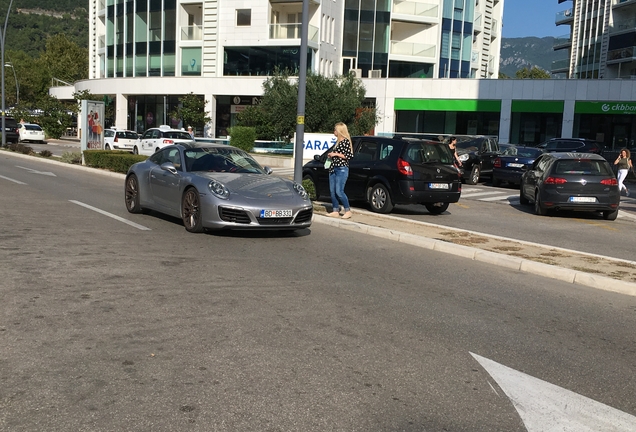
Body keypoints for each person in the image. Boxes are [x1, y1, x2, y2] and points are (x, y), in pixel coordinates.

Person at [327, 122, 355, 219]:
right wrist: (331, 155)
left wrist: (335, 154)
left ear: (340, 131)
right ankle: (335, 210)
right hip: (333, 167)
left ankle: (347, 210)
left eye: (335, 129)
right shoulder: (337, 142)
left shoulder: (346, 141)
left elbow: (349, 156)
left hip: (341, 168)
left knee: (339, 191)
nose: (334, 131)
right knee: (332, 191)